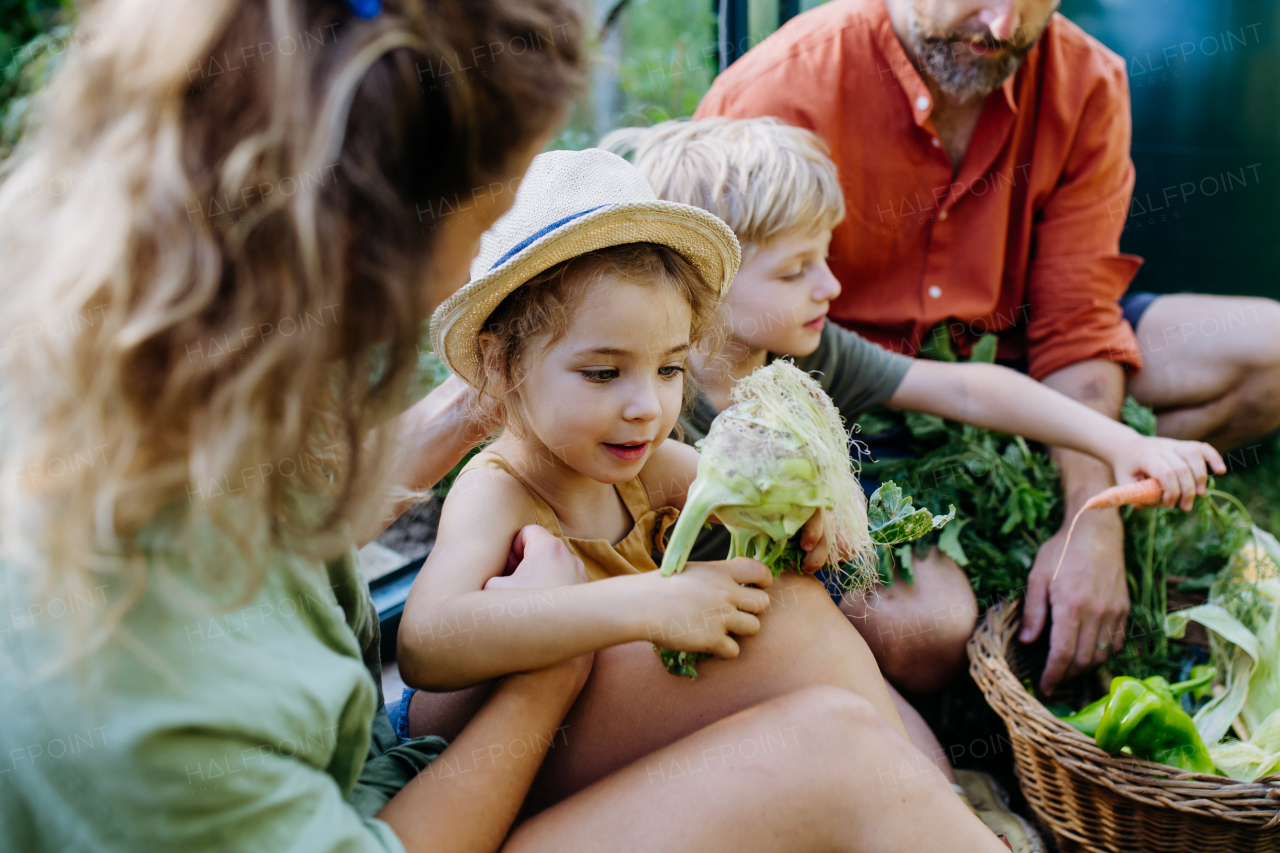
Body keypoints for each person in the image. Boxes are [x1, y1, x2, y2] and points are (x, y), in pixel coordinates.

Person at [0, 3, 1007, 853]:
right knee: (831, 754)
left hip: (384, 760)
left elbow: (310, 507)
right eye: (473, 229)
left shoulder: (163, 372)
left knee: (802, 654)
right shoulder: (139, 708)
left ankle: (936, 801)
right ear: (362, 240)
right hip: (404, 803)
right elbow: (432, 651)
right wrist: (551, 670)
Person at [396, 146, 1013, 851]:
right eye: (603, 373)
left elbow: (748, 485)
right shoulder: (499, 489)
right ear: (503, 362)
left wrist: (808, 514)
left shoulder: (648, 467)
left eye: (667, 368)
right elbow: (423, 643)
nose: (646, 407)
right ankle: (935, 815)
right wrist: (645, 603)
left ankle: (924, 809)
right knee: (799, 629)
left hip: (589, 725)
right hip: (492, 756)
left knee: (796, 607)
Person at [694, 0, 1280, 694]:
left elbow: (1079, 320)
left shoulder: (1085, 80)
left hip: (1012, 359)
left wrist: (1096, 517)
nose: (1003, 28)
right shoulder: (780, 89)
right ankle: (985, 543)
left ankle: (1054, 506)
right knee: (920, 627)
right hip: (855, 402)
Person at [602, 116, 1225, 696]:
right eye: (796, 272)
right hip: (688, 630)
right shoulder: (652, 395)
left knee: (902, 684)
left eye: (825, 257)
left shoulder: (808, 358)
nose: (831, 286)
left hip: (787, 597)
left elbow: (964, 388)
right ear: (704, 282)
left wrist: (1121, 444)